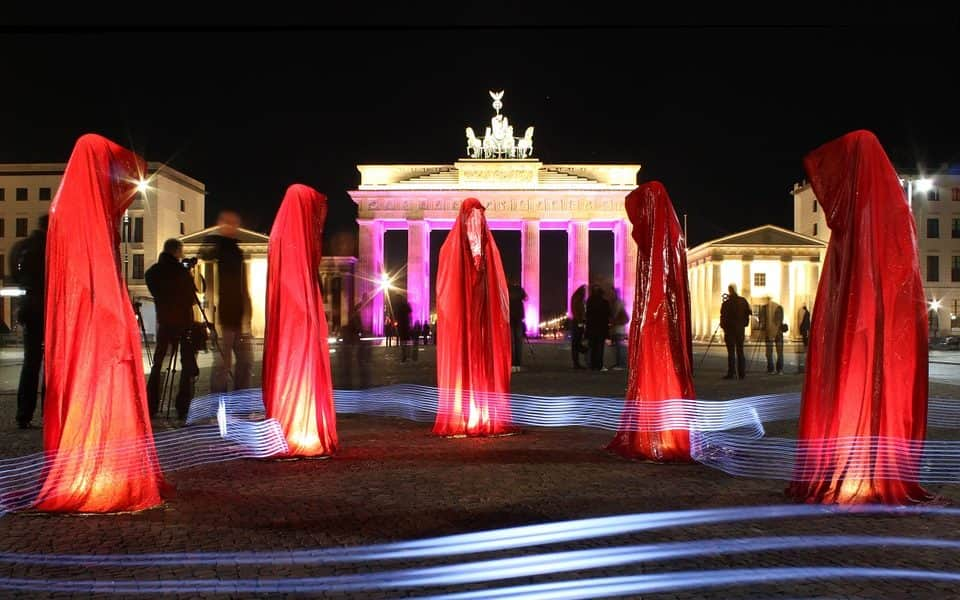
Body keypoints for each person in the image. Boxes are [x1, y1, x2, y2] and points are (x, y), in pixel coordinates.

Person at [145, 239, 200, 421]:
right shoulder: (181, 272)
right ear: (176, 251)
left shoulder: (152, 272)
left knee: (159, 364)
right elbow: (193, 298)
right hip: (183, 324)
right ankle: (183, 406)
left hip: (164, 322)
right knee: (186, 365)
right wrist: (188, 273)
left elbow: (156, 292)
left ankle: (151, 404)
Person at [199, 210, 253, 392]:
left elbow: (243, 287)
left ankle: (238, 400)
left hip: (239, 315)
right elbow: (204, 254)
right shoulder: (218, 246)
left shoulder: (236, 250)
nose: (232, 227)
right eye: (228, 223)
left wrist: (247, 313)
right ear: (221, 224)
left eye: (235, 223)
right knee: (224, 363)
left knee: (245, 362)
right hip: (225, 316)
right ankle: (219, 402)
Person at [9, 215, 47, 429]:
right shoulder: (50, 247)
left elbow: (15, 275)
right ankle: (48, 412)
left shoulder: (21, 247)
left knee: (30, 362)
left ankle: (23, 414)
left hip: (27, 304)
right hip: (47, 305)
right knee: (51, 363)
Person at [720, 283, 752, 380]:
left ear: (730, 291)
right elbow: (748, 313)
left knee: (731, 353)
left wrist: (723, 326)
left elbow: (723, 316)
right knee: (740, 351)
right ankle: (741, 373)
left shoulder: (726, 303)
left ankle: (731, 372)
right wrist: (744, 324)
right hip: (739, 330)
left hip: (729, 330)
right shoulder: (743, 301)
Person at [585, 284, 611, 371]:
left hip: (591, 328)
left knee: (592, 347)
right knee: (600, 348)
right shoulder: (604, 302)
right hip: (601, 328)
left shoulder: (589, 301)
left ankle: (592, 365)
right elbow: (608, 315)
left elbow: (587, 315)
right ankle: (599, 365)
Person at [758, 295, 785, 374]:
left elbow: (762, 321)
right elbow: (780, 320)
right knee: (779, 352)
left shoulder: (763, 308)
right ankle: (779, 369)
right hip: (778, 332)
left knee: (769, 352)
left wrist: (763, 327)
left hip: (768, 332)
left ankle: (770, 368)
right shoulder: (778, 307)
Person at [508, 280, 528, 372]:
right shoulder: (520, 289)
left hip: (509, 317)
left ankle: (511, 363)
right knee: (518, 341)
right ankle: (518, 364)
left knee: (510, 341)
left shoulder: (506, 289)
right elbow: (526, 298)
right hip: (518, 317)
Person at [608, 287, 629, 371]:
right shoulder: (615, 302)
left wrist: (612, 320)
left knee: (620, 347)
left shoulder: (617, 303)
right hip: (616, 328)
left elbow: (615, 315)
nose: (610, 295)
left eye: (611, 293)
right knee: (617, 346)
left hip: (619, 328)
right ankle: (618, 363)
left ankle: (621, 364)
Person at [569, 284, 588, 369]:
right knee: (577, 343)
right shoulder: (579, 300)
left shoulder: (576, 298)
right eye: (584, 291)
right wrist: (581, 323)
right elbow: (578, 312)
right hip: (578, 322)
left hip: (576, 322)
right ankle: (585, 353)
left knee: (576, 343)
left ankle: (576, 363)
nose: (585, 293)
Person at [395, 296, 412, 362]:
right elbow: (410, 314)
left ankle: (404, 354)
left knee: (403, 340)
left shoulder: (399, 306)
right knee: (405, 340)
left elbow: (397, 316)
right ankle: (406, 354)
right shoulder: (406, 305)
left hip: (402, 325)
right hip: (405, 325)